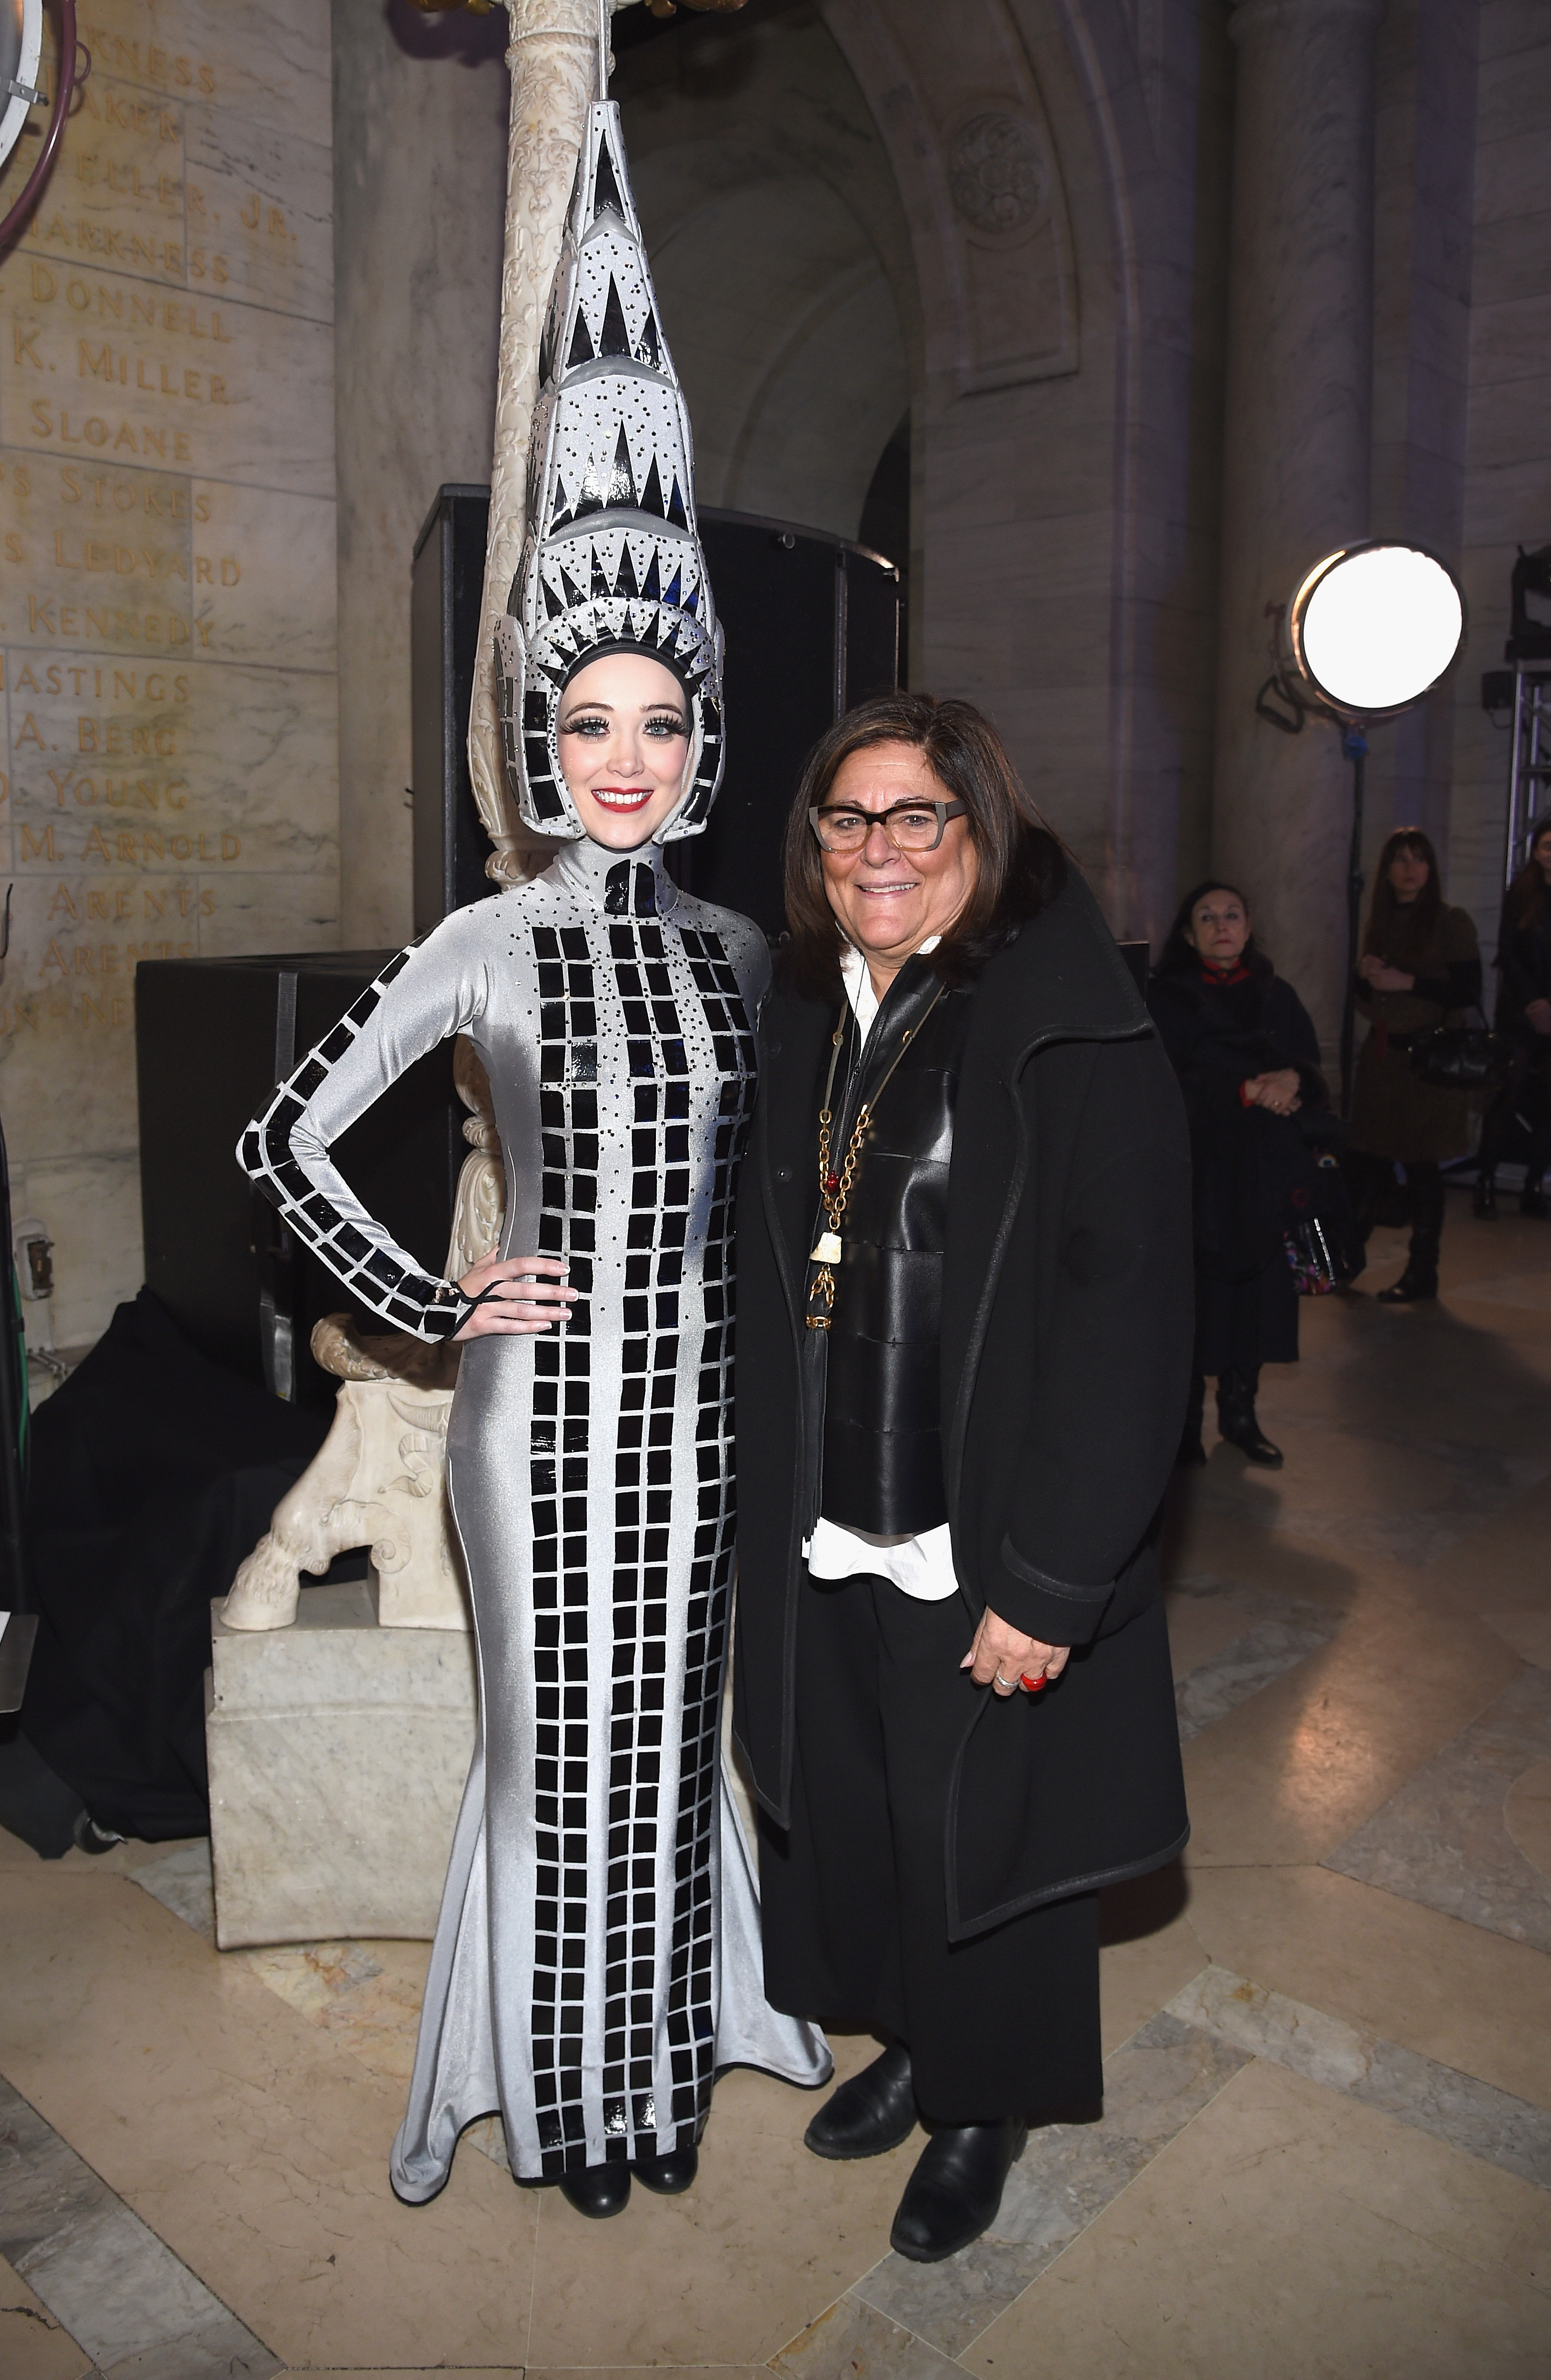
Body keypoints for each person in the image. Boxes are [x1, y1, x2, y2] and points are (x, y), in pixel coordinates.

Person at [239, 99, 828, 2222]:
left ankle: (661, 2080)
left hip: (705, 1406)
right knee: (550, 1748)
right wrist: (428, 1298)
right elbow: (283, 1131)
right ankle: (563, 2106)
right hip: (534, 1404)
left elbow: (797, 1183)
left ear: (702, 735)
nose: (625, 756)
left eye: (658, 721)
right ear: (539, 736)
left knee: (671, 1748)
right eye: (590, 722)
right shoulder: (482, 939)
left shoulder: (750, 948)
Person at [731, 692, 1192, 2265]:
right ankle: (921, 2042)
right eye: (846, 817)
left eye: (914, 816)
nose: (879, 849)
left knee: (990, 1826)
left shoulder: (1068, 1024)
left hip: (978, 1530)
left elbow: (1125, 1320)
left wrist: (1053, 1576)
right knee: (870, 1811)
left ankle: (985, 2102)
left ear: (976, 833)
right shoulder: (803, 1008)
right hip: (824, 1519)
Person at [1146, 883, 1329, 1468]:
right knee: (1195, 1301)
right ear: (1188, 933)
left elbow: (1308, 1062)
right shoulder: (1165, 997)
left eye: (1232, 915)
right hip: (1200, 1174)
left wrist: (1294, 1080)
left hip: (1263, 1172)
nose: (1221, 925)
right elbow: (1157, 1086)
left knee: (1256, 1300)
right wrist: (1240, 1091)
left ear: (1248, 927)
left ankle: (1240, 1414)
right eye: (1207, 917)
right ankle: (1183, 1427)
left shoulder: (1276, 994)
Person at [1348, 828, 1481, 1303]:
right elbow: (1366, 1000)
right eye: (1401, 859)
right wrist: (1364, 977)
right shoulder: (1380, 921)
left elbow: (1467, 991)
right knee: (1365, 1161)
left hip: (1426, 1061)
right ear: (1386, 870)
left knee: (1421, 1166)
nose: (1410, 868)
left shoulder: (1450, 921)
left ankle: (1423, 1271)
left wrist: (1408, 982)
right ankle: (1345, 1260)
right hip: (1381, 1056)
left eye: (1419, 859)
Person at [1475, 812, 1551, 1219]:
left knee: (1548, 1105)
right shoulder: (1519, 893)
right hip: (1520, 1012)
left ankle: (1534, 1186)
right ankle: (1485, 1182)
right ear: (1536, 851)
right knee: (1507, 1097)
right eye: (1547, 846)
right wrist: (1534, 1003)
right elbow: (1507, 953)